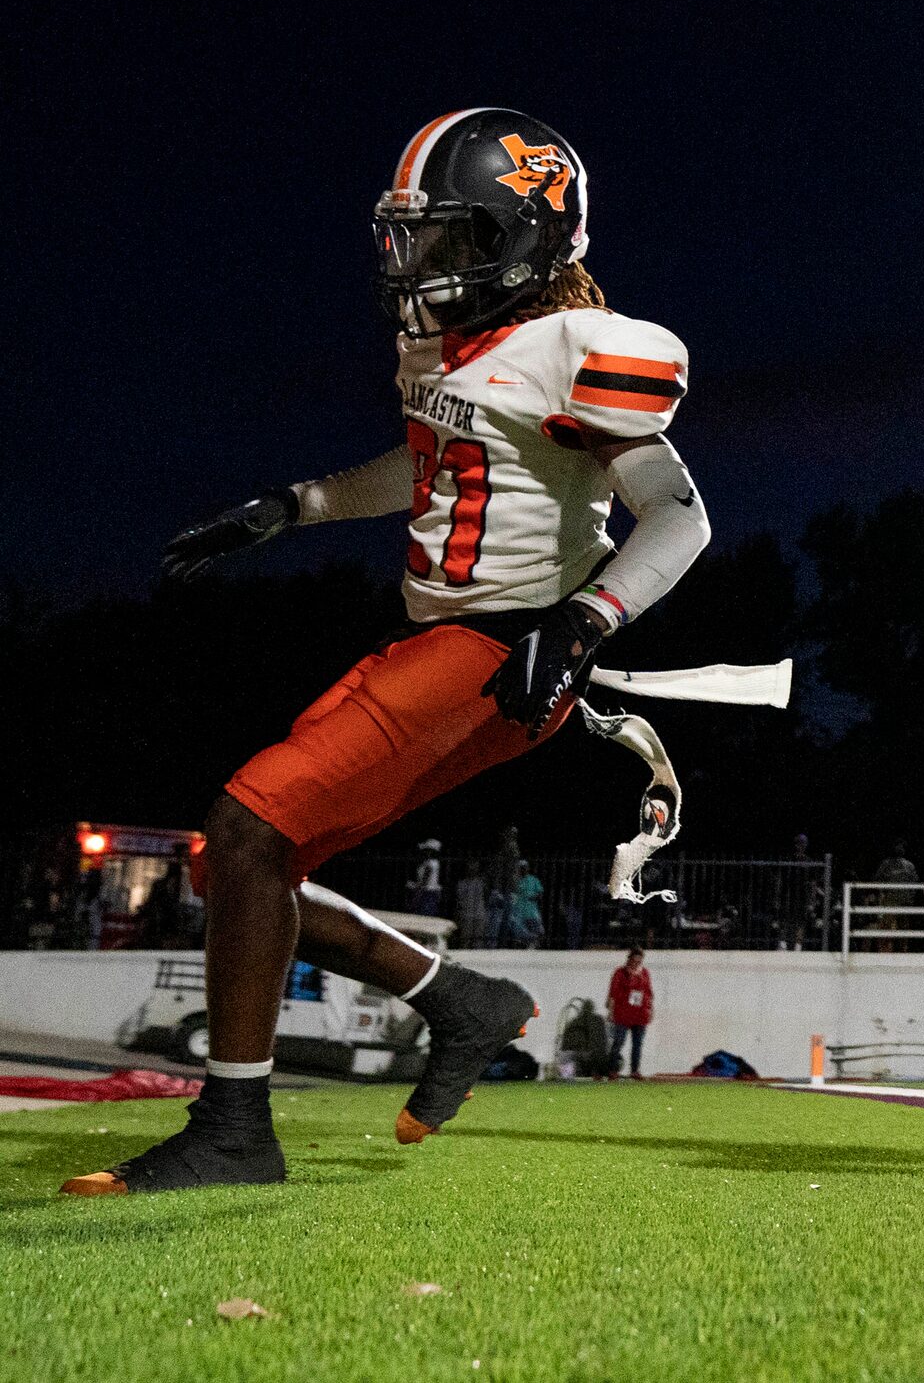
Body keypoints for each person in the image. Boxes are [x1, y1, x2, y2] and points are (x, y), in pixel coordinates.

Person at [65, 110, 710, 1197]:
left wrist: (585, 620)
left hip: (504, 654)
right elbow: (435, 466)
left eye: (448, 236)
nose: (415, 260)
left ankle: (234, 1132)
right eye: (408, 234)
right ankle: (458, 1002)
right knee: (233, 864)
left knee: (249, 828)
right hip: (432, 640)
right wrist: (295, 506)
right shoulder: (446, 347)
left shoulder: (574, 352)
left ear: (521, 237)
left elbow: (681, 518)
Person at [606, 949, 654, 1078]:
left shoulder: (644, 973)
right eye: (634, 960)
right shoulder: (620, 973)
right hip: (623, 1013)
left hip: (640, 1013)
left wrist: (651, 1010)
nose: (636, 963)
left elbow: (649, 992)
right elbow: (613, 993)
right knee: (618, 1042)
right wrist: (611, 1012)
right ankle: (612, 1070)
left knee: (637, 1044)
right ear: (629, 959)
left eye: (639, 961)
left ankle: (634, 1070)